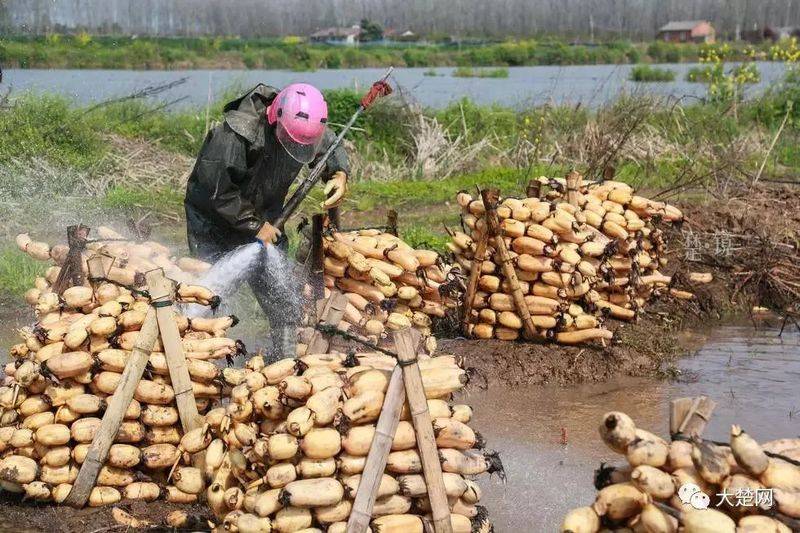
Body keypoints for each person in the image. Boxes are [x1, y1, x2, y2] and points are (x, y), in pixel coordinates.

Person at [184, 83, 349, 359]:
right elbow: (218, 192)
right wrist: (255, 226)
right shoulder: (235, 135)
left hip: (267, 217)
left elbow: (328, 143)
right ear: (276, 119)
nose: (297, 147)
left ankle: (283, 356)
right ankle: (202, 354)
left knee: (280, 290)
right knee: (210, 294)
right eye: (292, 141)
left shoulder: (302, 127)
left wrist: (339, 172)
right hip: (214, 220)